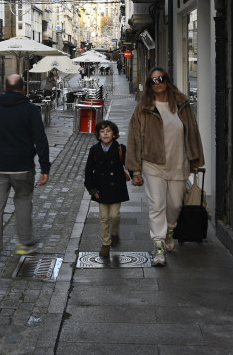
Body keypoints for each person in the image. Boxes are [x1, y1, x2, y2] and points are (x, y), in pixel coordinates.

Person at [126, 67, 204, 266]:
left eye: (161, 79)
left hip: (179, 164)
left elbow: (193, 132)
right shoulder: (143, 108)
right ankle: (158, 245)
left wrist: (195, 162)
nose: (158, 82)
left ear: (167, 81)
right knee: (156, 205)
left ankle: (170, 231)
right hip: (153, 164)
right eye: (153, 80)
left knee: (175, 205)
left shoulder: (182, 103)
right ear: (149, 85)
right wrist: (135, 170)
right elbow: (134, 139)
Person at [0, 74, 50, 267]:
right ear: (23, 88)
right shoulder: (31, 110)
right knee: (23, 201)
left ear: (4, 87)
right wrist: (45, 167)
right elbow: (40, 139)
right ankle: (25, 243)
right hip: (22, 167)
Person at [84, 120, 130, 258]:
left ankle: (114, 232)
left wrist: (135, 175)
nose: (105, 134)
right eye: (102, 131)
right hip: (101, 188)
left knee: (114, 215)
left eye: (108, 131)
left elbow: (129, 164)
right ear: (98, 135)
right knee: (103, 217)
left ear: (114, 134)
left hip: (116, 187)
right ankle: (106, 243)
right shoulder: (94, 150)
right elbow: (88, 171)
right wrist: (92, 189)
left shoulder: (120, 148)